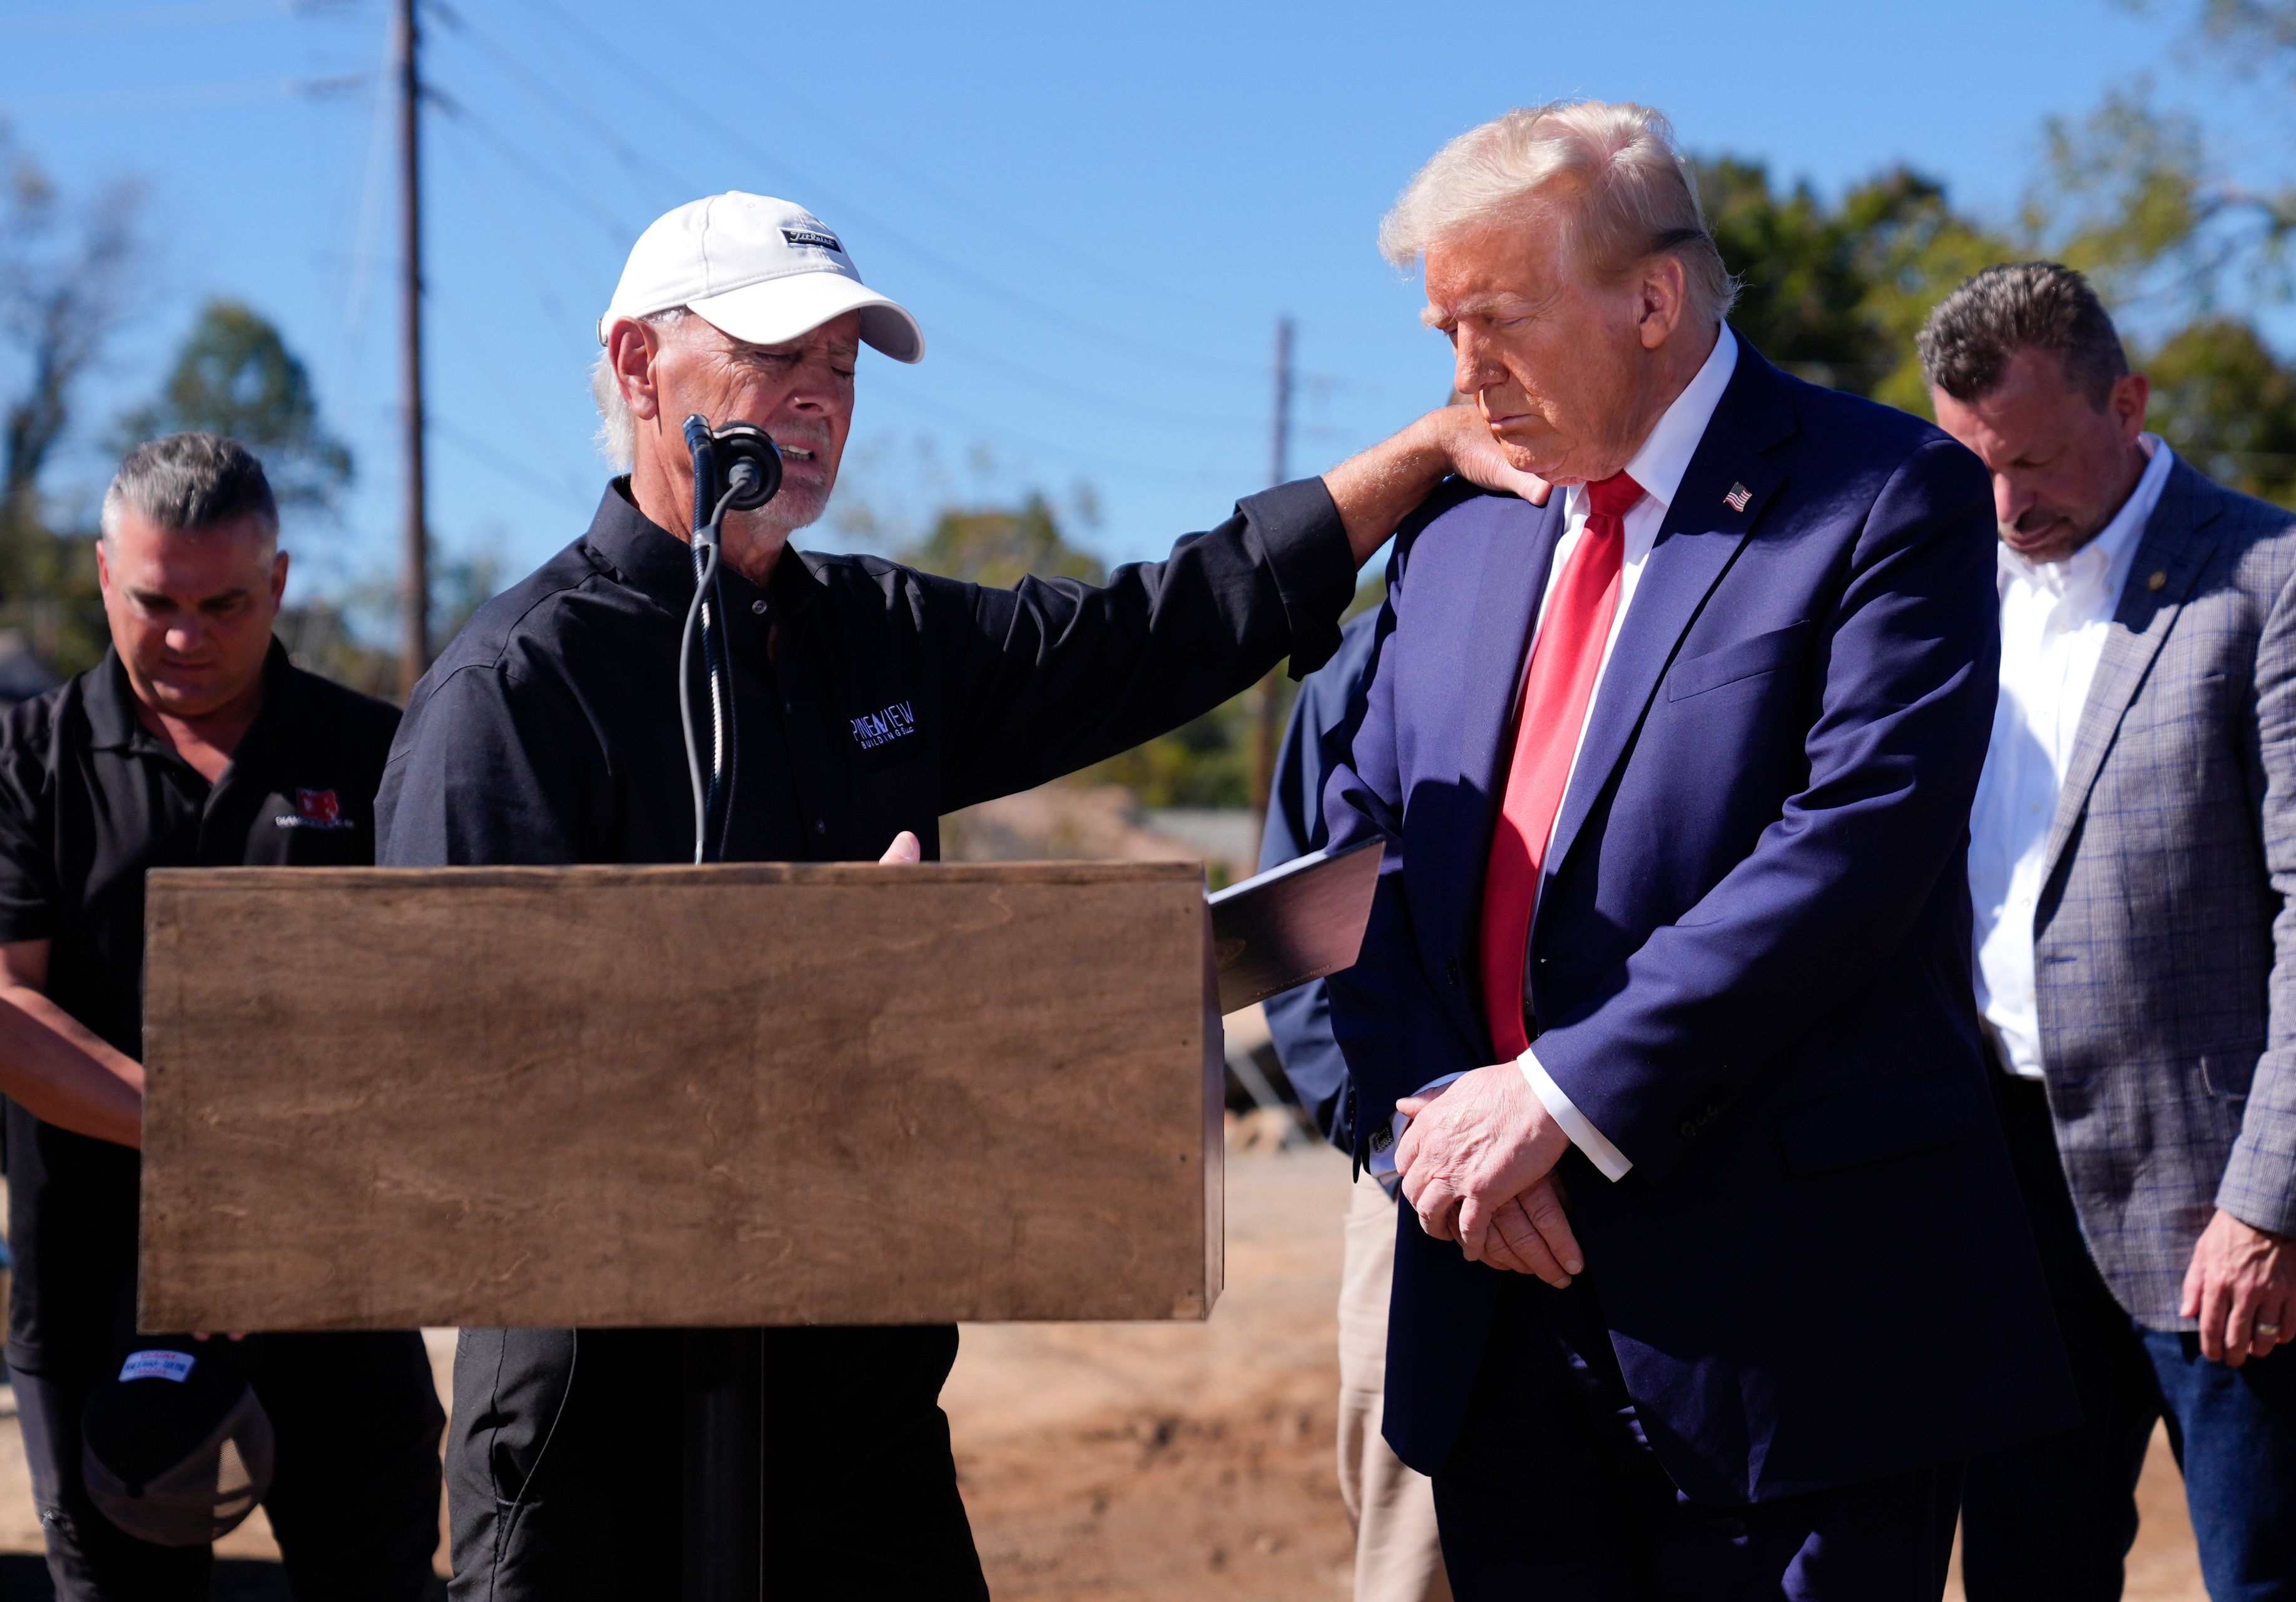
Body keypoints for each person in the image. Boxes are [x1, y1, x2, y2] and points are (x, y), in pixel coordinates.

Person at [375, 189, 1542, 1600]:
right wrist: (804, 986)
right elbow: (448, 1093)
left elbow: (1154, 628)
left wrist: (1423, 455)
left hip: (856, 1410)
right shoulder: (514, 689)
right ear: (637, 364)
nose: (814, 402)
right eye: (771, 357)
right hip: (597, 1440)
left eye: (843, 371)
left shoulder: (880, 635)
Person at [1319, 101, 2078, 1599]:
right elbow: (1365, 845)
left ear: (1652, 300)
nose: (1462, 378)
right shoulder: (1459, 527)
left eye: (1497, 322)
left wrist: (1555, 1094)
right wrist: (1439, 1123)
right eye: (1442, 329)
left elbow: (1854, 845)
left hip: (1791, 1340)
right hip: (1497, 1309)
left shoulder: (1884, 494)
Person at [1919, 262, 2296, 1598]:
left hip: (2222, 1198)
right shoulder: (1944, 591)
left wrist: (2274, 1200)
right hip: (2002, 1191)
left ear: (2126, 401)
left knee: (2273, 1580)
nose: (2006, 504)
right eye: (1974, 470)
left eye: (2032, 458)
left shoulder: (2279, 579)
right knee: (2026, 1573)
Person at [0, 434, 444, 1600]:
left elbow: (441, 1012)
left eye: (225, 603)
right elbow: (3, 1002)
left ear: (282, 584)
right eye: (155, 603)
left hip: (338, 1292)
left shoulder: (377, 752)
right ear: (103, 575)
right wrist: (212, 1143)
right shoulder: (26, 762)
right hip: (98, 1300)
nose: (187, 637)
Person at [1261, 603, 1452, 1602]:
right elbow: (1292, 917)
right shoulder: (1383, 646)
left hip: (1634, 1162)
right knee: (1414, 1552)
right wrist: (1385, 1130)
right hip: (1418, 1191)